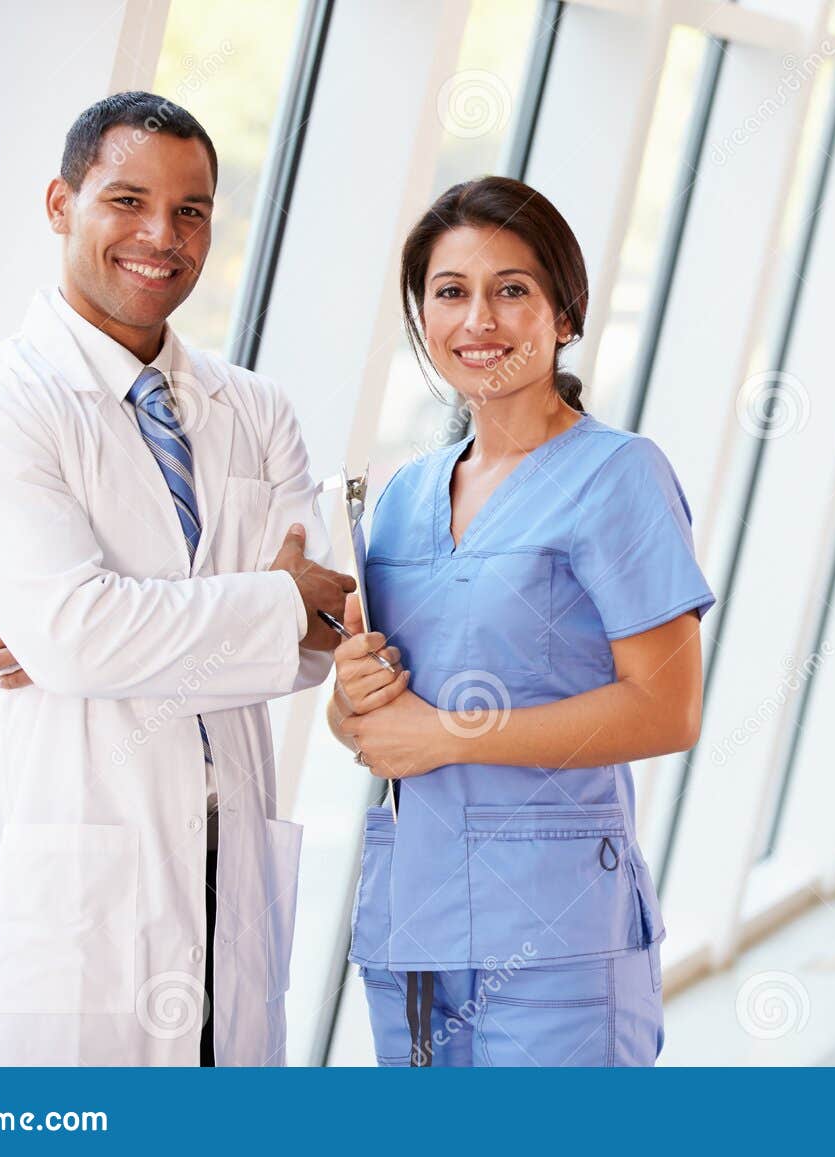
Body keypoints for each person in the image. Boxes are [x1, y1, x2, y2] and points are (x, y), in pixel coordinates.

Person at [0, 92, 354, 1066]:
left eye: (192, 209)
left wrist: (110, 633)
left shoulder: (254, 408)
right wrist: (265, 604)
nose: (162, 236)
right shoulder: (0, 406)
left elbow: (316, 641)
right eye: (127, 200)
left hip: (226, 862)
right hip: (85, 885)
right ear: (59, 203)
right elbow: (81, 633)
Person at [326, 176, 716, 1067]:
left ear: (564, 313)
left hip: (558, 941)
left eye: (512, 290)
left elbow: (667, 710)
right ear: (423, 316)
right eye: (450, 292)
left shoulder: (619, 477)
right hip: (415, 927)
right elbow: (374, 726)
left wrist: (449, 734)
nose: (480, 321)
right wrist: (354, 705)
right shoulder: (404, 496)